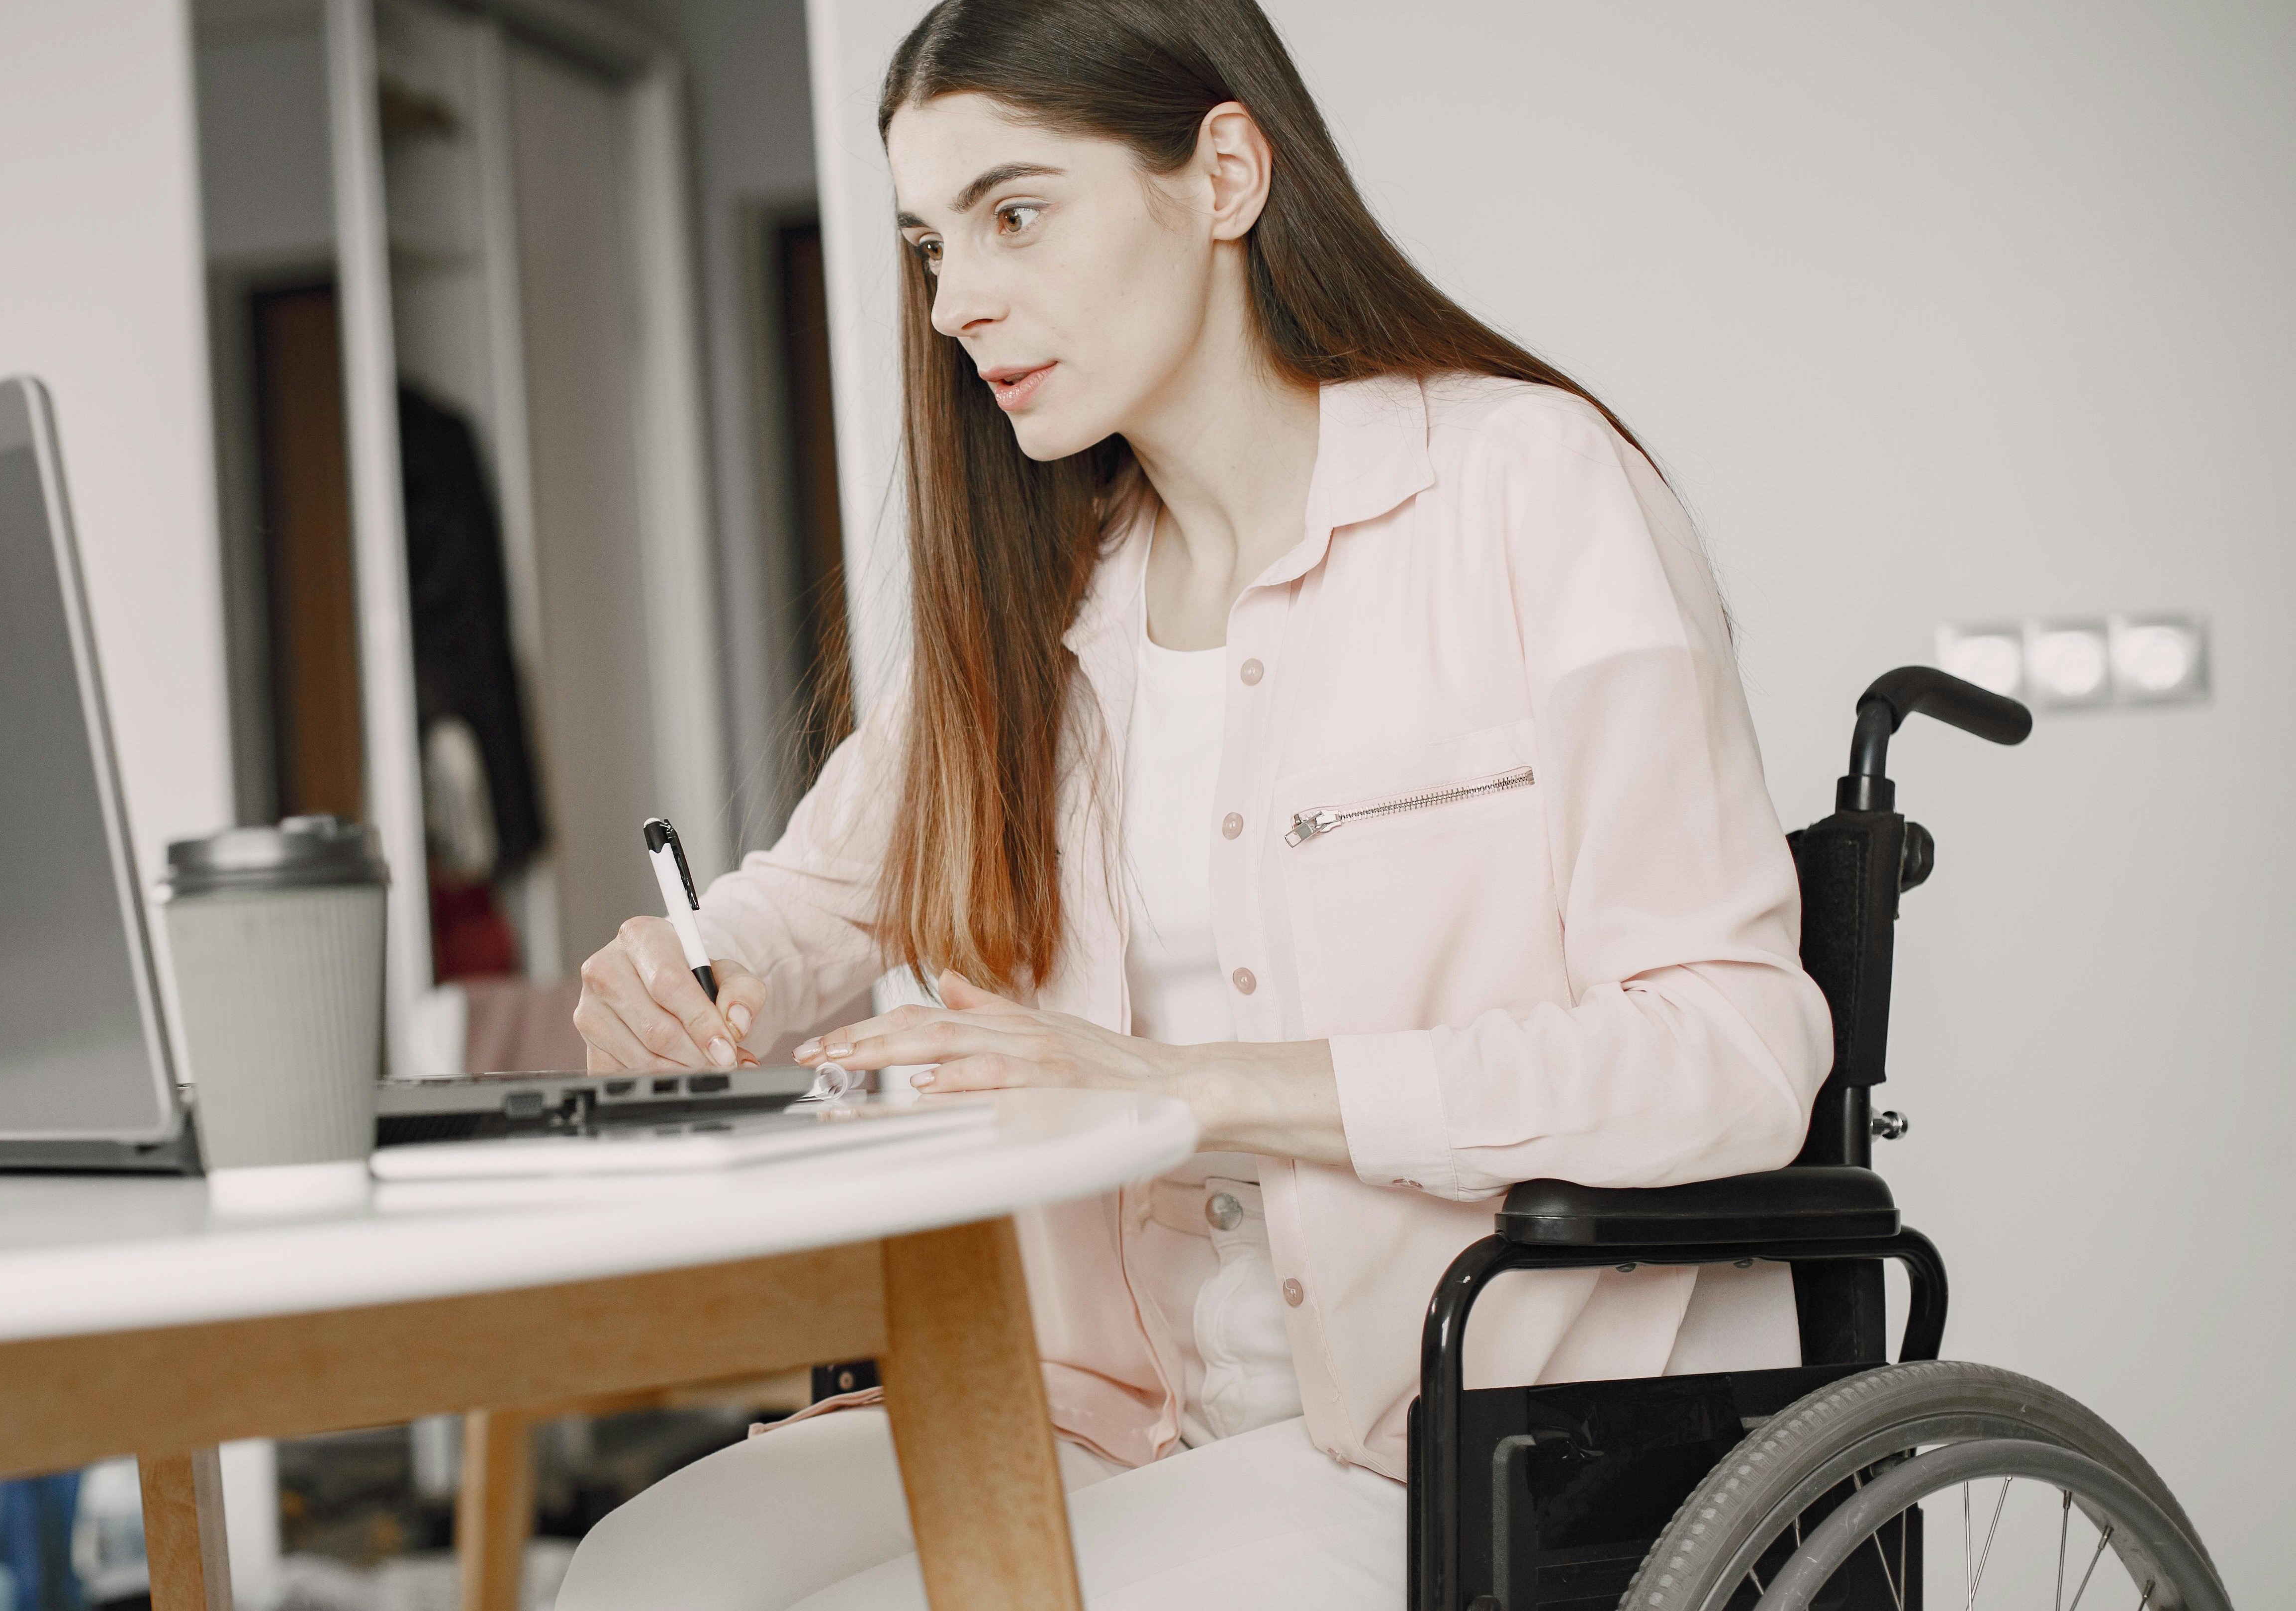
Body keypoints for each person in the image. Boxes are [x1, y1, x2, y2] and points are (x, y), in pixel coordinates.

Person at [555, 0, 1829, 1604]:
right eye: (930, 244)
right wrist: (691, 977)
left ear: (1225, 174)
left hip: (1461, 1430)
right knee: (634, 1578)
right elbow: (799, 910)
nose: (955, 302)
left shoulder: (1526, 487)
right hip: (1109, 1404)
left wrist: (1185, 1087)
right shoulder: (1046, 601)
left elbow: (1732, 1051)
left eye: (1015, 214)